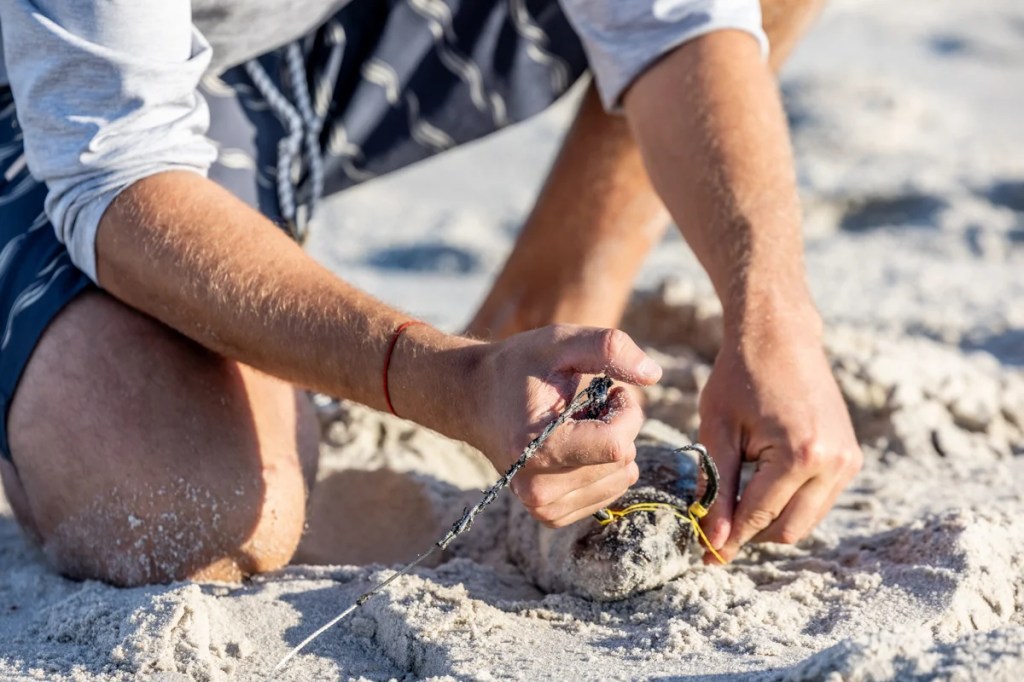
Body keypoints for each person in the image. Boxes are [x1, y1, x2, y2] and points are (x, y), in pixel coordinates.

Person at [0, 0, 862, 586]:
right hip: (44, 83)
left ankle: (549, 314)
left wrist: (772, 310)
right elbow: (115, 167)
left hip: (292, 40)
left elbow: (676, 16)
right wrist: (443, 378)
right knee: (183, 509)